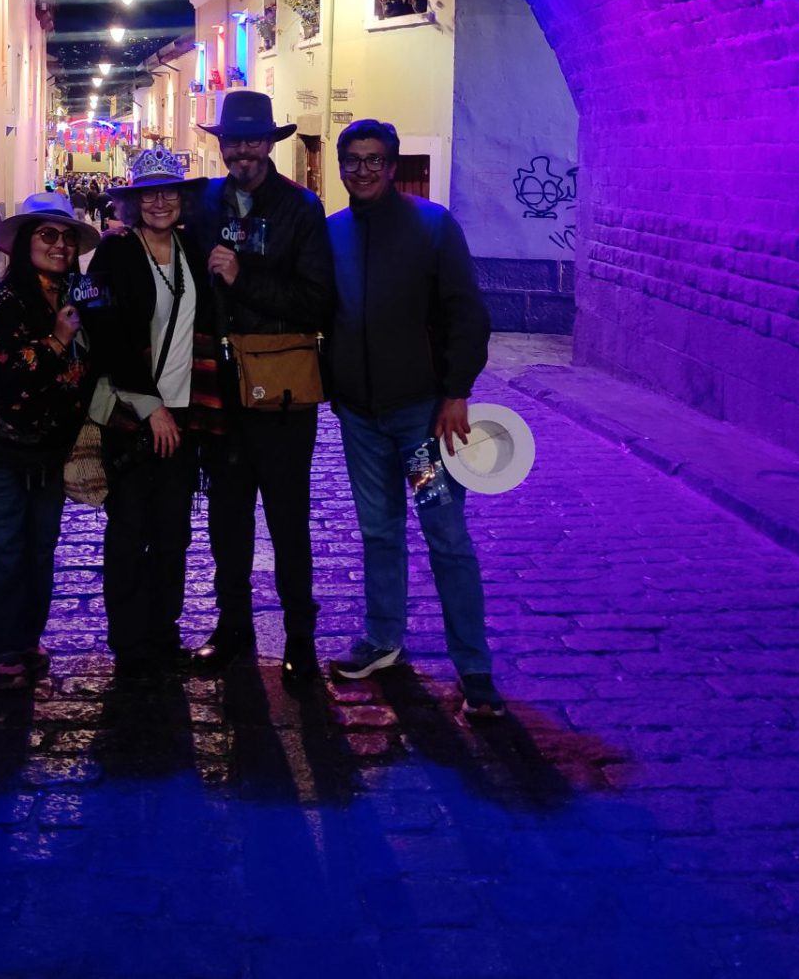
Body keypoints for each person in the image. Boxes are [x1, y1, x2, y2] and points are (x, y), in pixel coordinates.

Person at [325, 118, 504, 719]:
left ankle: (474, 667)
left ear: (393, 165)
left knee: (446, 536)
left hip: (421, 423)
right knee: (378, 531)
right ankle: (383, 639)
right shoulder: (333, 234)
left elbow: (466, 315)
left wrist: (455, 392)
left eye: (375, 160)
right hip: (360, 418)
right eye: (353, 160)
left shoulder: (432, 227)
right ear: (341, 165)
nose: (363, 169)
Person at [188, 92, 334, 684]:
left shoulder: (302, 208)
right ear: (221, 145)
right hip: (219, 387)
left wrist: (242, 277)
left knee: (288, 516)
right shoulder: (203, 204)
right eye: (233, 141)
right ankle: (233, 626)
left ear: (270, 144)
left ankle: (301, 634)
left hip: (279, 390)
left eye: (252, 140)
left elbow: (315, 300)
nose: (242, 151)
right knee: (227, 518)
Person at [0, 193, 99, 690]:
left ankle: (28, 635)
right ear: (24, 244)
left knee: (40, 549)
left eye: (67, 237)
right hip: (1, 450)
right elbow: (1, 380)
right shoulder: (1, 302)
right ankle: (2, 645)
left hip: (50, 449)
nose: (59, 246)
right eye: (47, 235)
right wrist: (57, 341)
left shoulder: (75, 296)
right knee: (2, 550)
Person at [82, 147, 211, 679]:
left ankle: (164, 629)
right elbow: (105, 336)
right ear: (133, 202)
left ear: (182, 199)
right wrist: (151, 404)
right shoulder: (115, 254)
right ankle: (130, 640)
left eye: (169, 191)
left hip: (186, 413)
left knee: (174, 530)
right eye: (148, 193)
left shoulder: (192, 248)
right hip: (134, 416)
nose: (160, 202)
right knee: (131, 526)